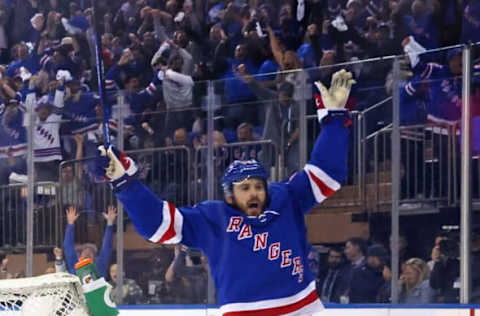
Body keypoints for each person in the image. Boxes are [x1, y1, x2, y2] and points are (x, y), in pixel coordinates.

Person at [94, 69, 354, 315]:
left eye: (258, 186)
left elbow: (327, 173)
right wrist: (125, 183)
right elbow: (156, 225)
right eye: (245, 188)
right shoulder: (212, 217)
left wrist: (334, 120)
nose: (254, 193)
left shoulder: (285, 197)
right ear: (229, 195)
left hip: (303, 308)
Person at [63, 205, 117, 278]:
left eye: (91, 252)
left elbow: (107, 247)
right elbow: (68, 247)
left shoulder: (100, 265)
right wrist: (70, 223)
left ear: (95, 258)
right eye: (85, 252)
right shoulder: (75, 265)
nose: (88, 254)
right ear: (80, 255)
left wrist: (110, 223)